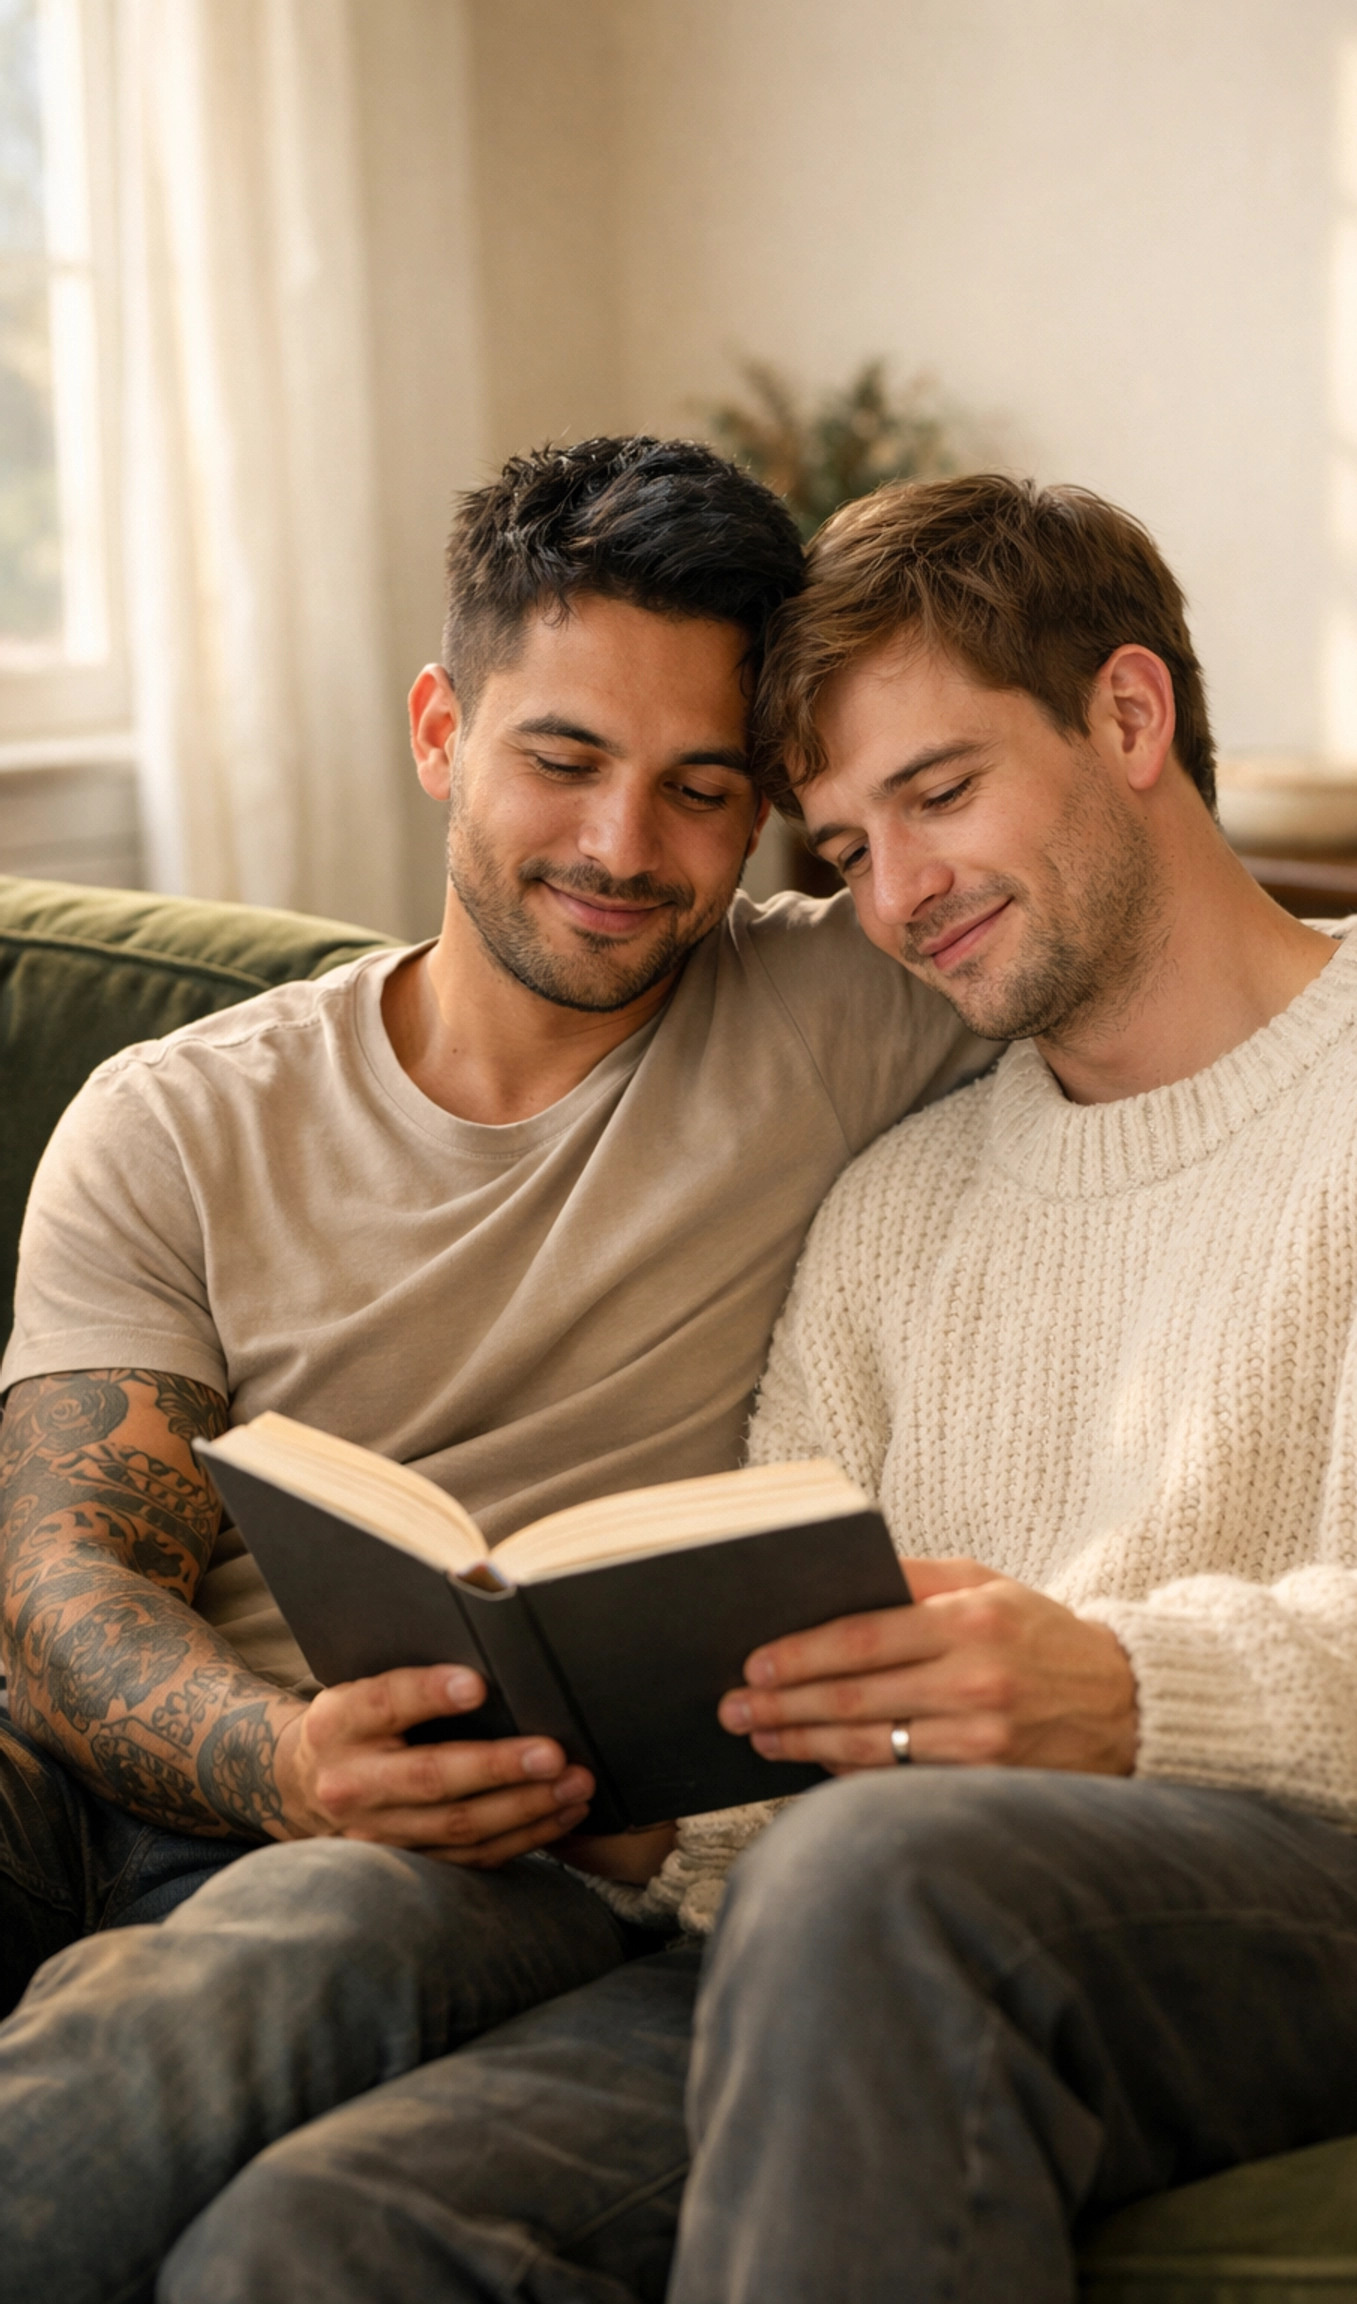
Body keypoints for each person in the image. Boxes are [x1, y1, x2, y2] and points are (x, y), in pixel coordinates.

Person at [159, 474, 1357, 2304]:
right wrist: (604, 1788)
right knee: (321, 2233)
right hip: (870, 1911)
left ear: (1130, 718)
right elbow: (776, 1755)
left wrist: (1116, 1689)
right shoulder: (894, 1209)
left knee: (883, 1875)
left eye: (941, 794)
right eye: (839, 845)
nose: (897, 897)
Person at [0, 435, 1003, 2293]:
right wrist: (288, 1755)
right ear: (440, 727)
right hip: (165, 1781)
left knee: (299, 1945)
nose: (627, 849)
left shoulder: (841, 1004)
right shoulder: (176, 1120)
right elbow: (66, 1578)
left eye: (702, 790)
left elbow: (1210, 952)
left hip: (503, 1861)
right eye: (563, 760)